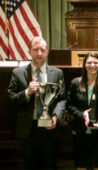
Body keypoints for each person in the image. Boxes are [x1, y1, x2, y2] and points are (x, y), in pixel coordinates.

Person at [8, 36, 66, 169]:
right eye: (35, 49)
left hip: (49, 128)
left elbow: (62, 99)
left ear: (47, 52)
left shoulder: (57, 73)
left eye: (42, 50)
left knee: (48, 164)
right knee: (29, 165)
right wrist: (27, 92)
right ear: (29, 51)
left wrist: (56, 116)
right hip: (28, 129)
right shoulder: (18, 73)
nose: (39, 53)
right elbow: (11, 99)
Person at [67, 52, 98, 170]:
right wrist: (81, 114)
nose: (92, 65)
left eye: (95, 62)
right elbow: (69, 105)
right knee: (81, 166)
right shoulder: (75, 83)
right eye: (89, 62)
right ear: (84, 64)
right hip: (80, 132)